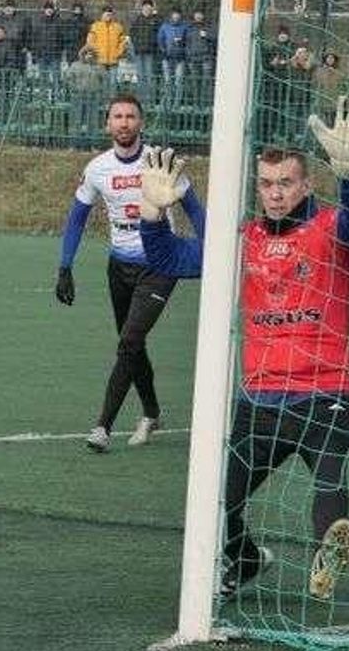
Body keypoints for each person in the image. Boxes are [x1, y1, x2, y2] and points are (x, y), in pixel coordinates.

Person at [136, 95, 349, 600]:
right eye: (266, 184)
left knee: (329, 479)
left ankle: (324, 559)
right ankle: (244, 558)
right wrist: (154, 213)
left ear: (306, 184)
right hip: (262, 401)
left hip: (326, 394)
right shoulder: (242, 238)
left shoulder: (330, 229)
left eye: (285, 183)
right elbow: (171, 258)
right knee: (217, 498)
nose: (275, 193)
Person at [54, 93, 206, 452]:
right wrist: (65, 265)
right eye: (117, 116)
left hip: (159, 264)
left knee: (128, 342)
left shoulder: (160, 164)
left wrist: (212, 250)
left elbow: (196, 212)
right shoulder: (97, 168)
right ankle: (151, 413)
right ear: (107, 123)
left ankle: (102, 427)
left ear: (141, 122)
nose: (124, 122)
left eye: (130, 116)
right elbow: (77, 216)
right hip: (118, 267)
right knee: (132, 343)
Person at [128, 0, 160, 102]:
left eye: (149, 6)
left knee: (150, 76)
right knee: (140, 76)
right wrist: (136, 46)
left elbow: (158, 35)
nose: (147, 8)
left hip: (150, 53)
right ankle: (140, 99)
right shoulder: (137, 20)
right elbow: (132, 34)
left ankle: (150, 99)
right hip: (138, 52)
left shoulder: (156, 20)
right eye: (145, 6)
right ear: (142, 8)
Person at [86, 5, 129, 83]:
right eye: (106, 14)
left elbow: (123, 42)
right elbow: (90, 41)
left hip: (114, 61)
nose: (108, 16)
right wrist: (96, 52)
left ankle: (112, 95)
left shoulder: (118, 27)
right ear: (102, 15)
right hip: (100, 61)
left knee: (113, 84)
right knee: (102, 85)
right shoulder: (95, 26)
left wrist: (118, 52)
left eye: (110, 14)